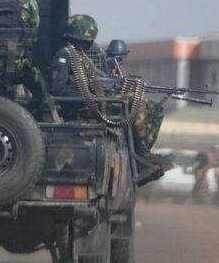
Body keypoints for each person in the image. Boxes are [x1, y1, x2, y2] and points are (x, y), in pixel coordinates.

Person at [50, 14, 173, 175]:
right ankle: (141, 153)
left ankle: (142, 151)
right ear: (79, 36)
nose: (90, 43)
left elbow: (93, 81)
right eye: (87, 39)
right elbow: (57, 89)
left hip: (93, 103)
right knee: (134, 100)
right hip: (81, 108)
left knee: (153, 108)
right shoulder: (65, 54)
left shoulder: (81, 56)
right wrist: (88, 97)